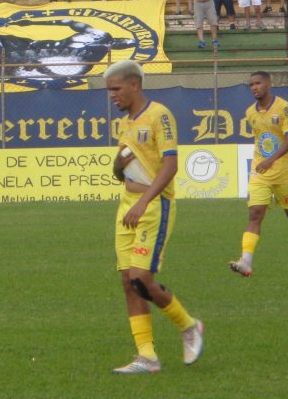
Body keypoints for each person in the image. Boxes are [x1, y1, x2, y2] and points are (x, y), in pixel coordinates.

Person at [106, 59, 204, 375]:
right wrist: (118, 167)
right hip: (128, 206)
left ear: (135, 85)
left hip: (153, 206)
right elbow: (122, 169)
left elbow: (170, 166)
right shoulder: (126, 124)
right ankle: (147, 357)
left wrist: (143, 202)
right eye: (109, 91)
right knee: (127, 281)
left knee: (140, 278)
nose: (112, 96)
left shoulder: (159, 115)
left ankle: (188, 326)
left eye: (116, 89)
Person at [229, 71, 288, 277]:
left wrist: (271, 159)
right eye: (251, 85)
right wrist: (263, 162)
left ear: (268, 84)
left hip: (284, 173)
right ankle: (246, 261)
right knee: (255, 214)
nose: (254, 87)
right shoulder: (250, 112)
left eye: (258, 83)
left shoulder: (283, 107)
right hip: (260, 172)